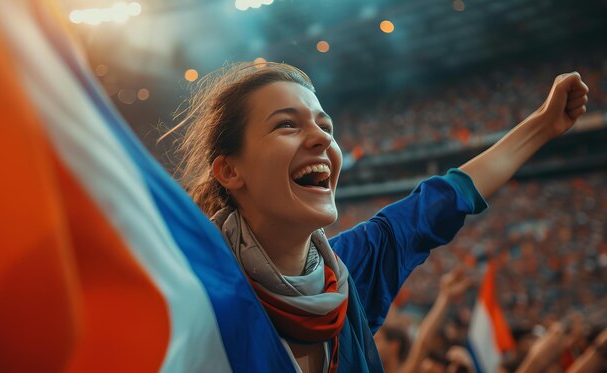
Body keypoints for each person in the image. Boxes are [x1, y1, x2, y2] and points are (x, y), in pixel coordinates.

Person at [164, 62, 588, 373]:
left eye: (325, 125)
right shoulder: (192, 301)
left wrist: (542, 125)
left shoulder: (351, 276)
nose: (321, 137)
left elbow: (446, 197)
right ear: (229, 170)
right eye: (287, 126)